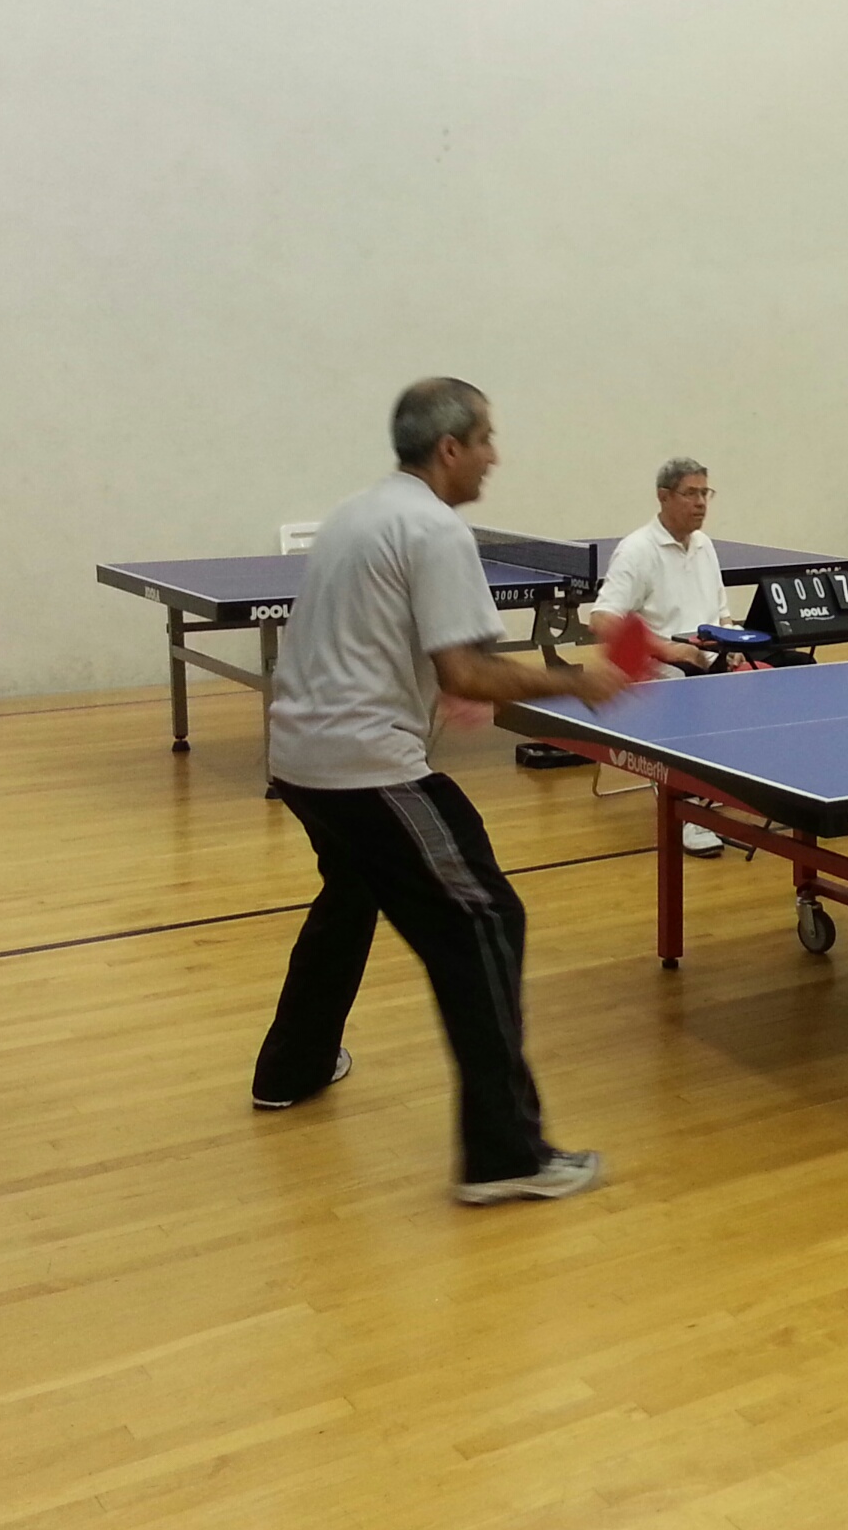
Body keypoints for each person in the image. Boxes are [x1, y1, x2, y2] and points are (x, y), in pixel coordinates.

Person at [253, 377, 630, 1204]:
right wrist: (579, 681)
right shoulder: (433, 529)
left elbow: (421, 658)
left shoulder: (357, 511)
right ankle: (506, 1156)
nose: (496, 455)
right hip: (365, 765)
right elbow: (466, 669)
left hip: (299, 756)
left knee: (350, 894)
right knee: (488, 920)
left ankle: (293, 1065)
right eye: (487, 438)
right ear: (450, 447)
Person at [587, 456, 741, 858]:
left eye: (705, 493)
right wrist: (667, 649)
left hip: (707, 655)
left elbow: (722, 613)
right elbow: (602, 620)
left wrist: (735, 643)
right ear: (663, 496)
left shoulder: (705, 546)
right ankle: (687, 812)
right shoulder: (637, 550)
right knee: (685, 686)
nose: (701, 503)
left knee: (791, 668)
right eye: (691, 493)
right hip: (659, 666)